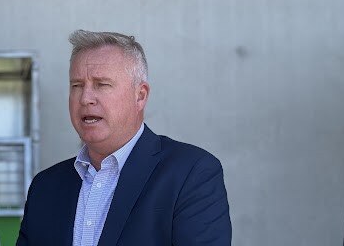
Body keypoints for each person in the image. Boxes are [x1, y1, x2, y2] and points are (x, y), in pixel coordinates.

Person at [16, 30, 232, 245]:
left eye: (102, 84)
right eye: (77, 85)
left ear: (140, 96)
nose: (85, 98)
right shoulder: (45, 187)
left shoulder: (191, 173)